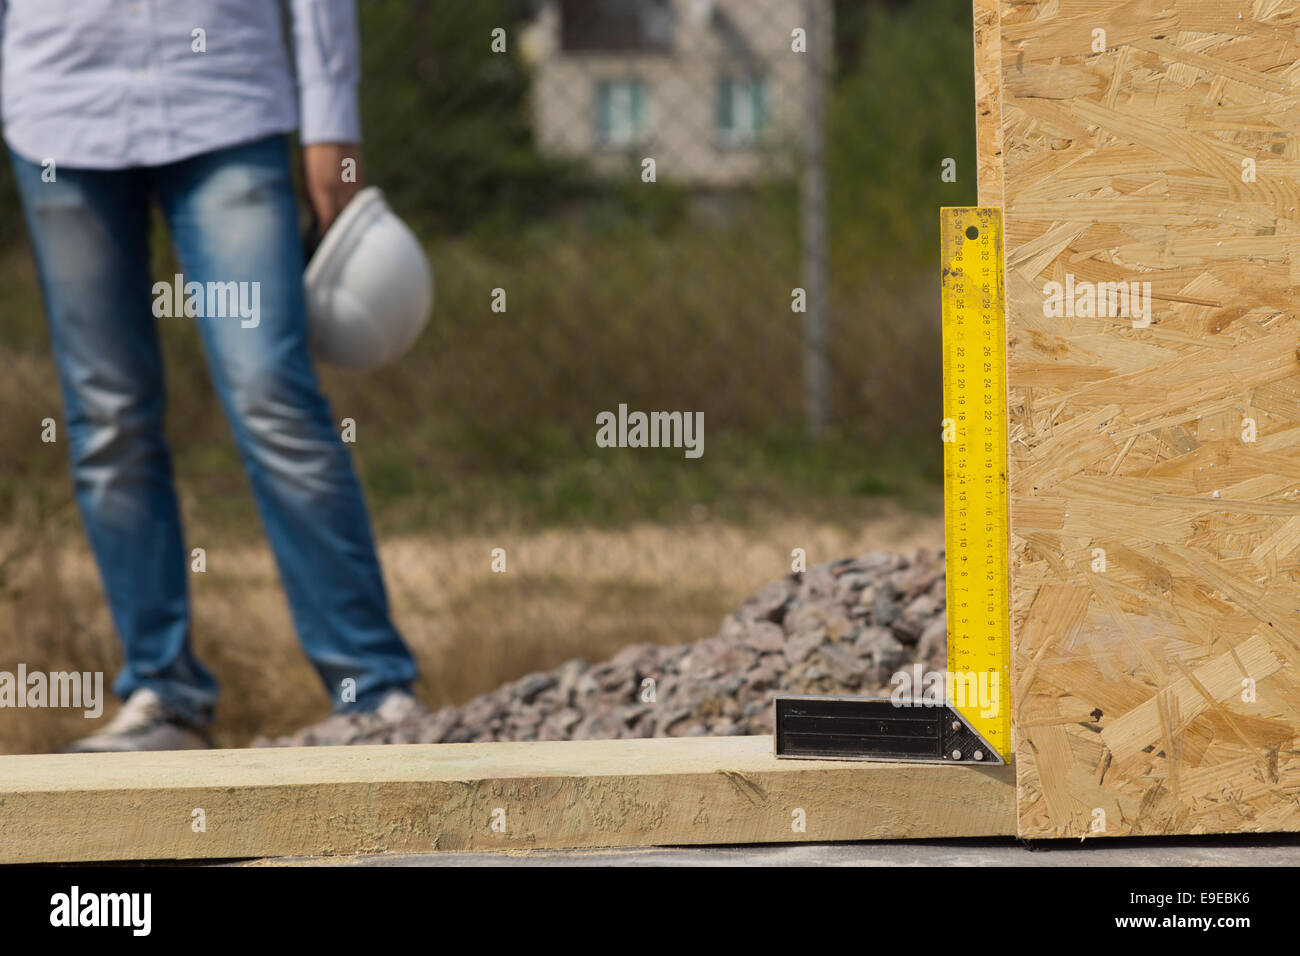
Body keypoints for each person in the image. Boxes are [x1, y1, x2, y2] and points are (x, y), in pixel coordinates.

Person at [0, 0, 424, 751]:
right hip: (58, 104)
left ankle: (373, 691)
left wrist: (332, 117)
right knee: (108, 418)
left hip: (226, 98)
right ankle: (164, 696)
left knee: (271, 394)